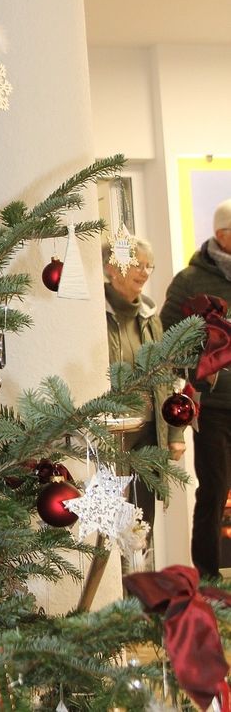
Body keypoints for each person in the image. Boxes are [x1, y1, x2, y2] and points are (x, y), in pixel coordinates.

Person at [160, 199, 231, 579]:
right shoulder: (189, 281)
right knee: (215, 488)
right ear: (222, 234)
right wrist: (200, 366)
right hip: (214, 404)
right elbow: (166, 338)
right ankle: (208, 575)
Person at [103, 237, 185, 545]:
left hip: (149, 431)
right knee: (112, 517)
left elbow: (167, 376)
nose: (145, 272)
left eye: (149, 266)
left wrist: (175, 433)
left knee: (141, 523)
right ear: (112, 268)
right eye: (138, 264)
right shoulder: (97, 315)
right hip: (112, 433)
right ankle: (117, 574)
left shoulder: (150, 316)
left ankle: (141, 572)